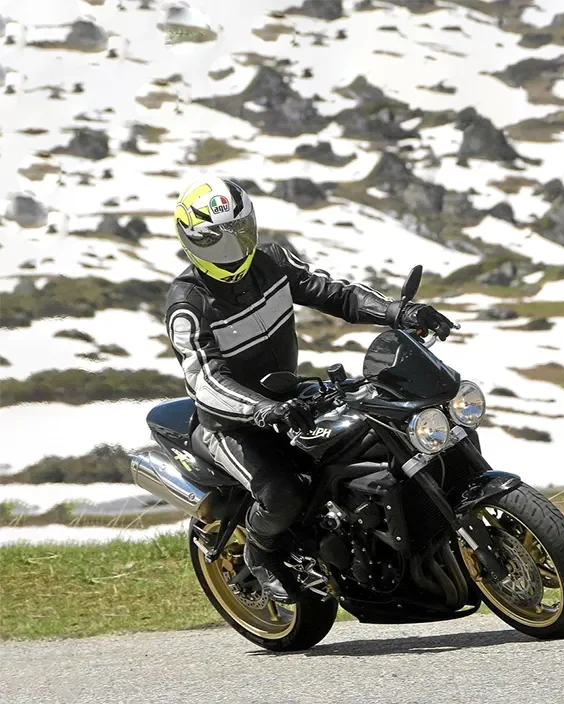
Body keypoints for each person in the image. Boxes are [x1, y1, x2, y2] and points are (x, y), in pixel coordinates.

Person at [164, 177, 455, 603]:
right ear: (193, 240)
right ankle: (259, 552)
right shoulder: (188, 304)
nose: (233, 248)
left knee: (382, 434)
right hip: (232, 424)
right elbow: (204, 379)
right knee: (283, 494)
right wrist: (262, 409)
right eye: (217, 239)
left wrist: (397, 311)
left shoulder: (273, 261)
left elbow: (336, 294)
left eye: (239, 232)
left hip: (289, 397)